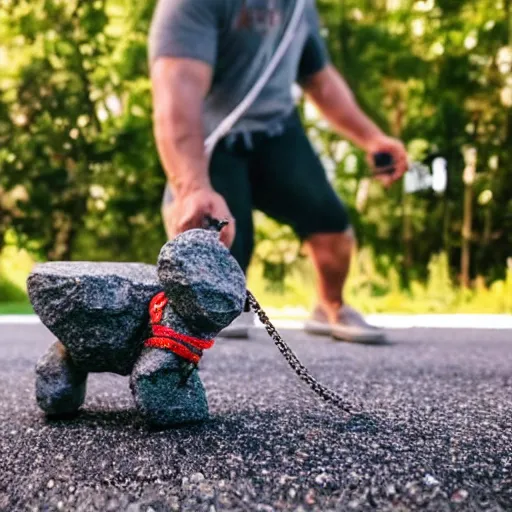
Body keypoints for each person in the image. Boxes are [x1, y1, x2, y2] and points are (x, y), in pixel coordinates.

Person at [148, 0, 408, 343]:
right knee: (222, 260)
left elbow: (320, 79)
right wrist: (191, 186)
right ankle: (204, 297)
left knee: (331, 225)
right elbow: (178, 86)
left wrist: (372, 138)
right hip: (215, 136)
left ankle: (330, 306)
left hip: (277, 130)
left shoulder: (299, 7)